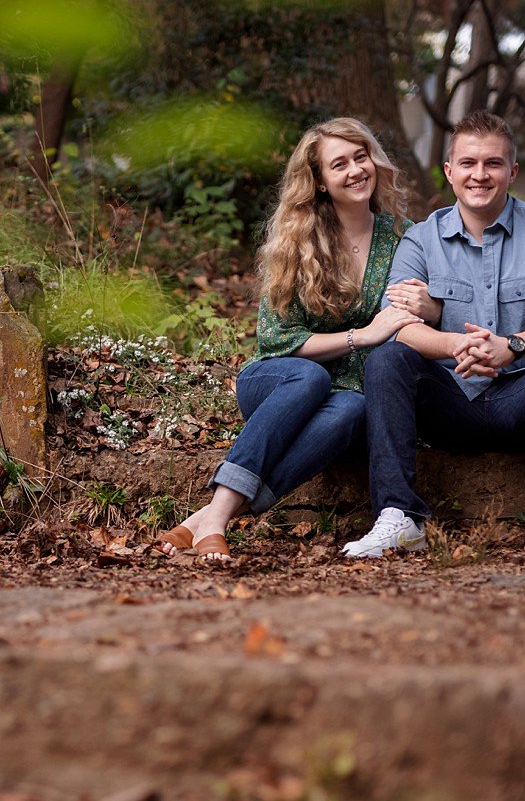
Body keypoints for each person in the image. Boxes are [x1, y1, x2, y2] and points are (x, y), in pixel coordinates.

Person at [344, 110, 525, 563]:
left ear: (512, 171)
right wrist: (452, 344)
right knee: (385, 358)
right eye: (468, 163)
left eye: (493, 164)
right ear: (449, 171)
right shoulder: (421, 242)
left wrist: (513, 346)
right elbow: (396, 322)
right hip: (449, 406)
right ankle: (398, 517)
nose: (479, 175)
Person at [157, 117, 435, 562]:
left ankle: (212, 515)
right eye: (338, 164)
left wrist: (429, 306)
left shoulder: (403, 238)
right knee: (310, 378)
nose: (354, 171)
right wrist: (361, 336)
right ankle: (220, 514)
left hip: (348, 392)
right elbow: (276, 340)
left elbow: (420, 314)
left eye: (360, 157)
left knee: (353, 408)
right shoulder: (298, 241)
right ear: (321, 182)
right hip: (278, 382)